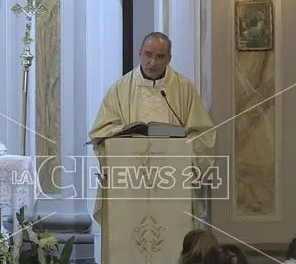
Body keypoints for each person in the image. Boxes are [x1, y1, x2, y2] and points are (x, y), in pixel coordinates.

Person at [89, 32, 216, 222]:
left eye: (160, 57)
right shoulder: (120, 89)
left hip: (172, 181)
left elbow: (203, 135)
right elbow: (100, 132)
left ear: (169, 59)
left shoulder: (184, 89)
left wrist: (182, 151)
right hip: (131, 184)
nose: (152, 62)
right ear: (140, 54)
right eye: (148, 54)